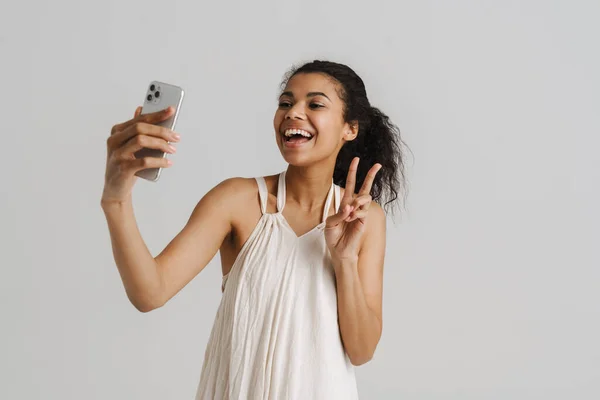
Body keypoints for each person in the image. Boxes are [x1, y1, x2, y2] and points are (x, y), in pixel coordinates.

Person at [101, 60, 407, 399]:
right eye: (286, 103)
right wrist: (116, 200)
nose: (293, 113)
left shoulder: (366, 220)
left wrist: (345, 259)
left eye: (315, 104)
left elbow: (362, 350)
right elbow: (150, 292)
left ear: (350, 128)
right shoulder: (236, 200)